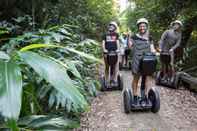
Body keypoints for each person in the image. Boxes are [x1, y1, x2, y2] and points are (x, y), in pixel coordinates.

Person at [129, 18, 157, 105]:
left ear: (146, 27)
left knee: (147, 79)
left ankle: (145, 96)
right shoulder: (134, 36)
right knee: (136, 78)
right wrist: (129, 40)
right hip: (137, 59)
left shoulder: (149, 37)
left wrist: (155, 52)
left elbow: (152, 49)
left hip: (147, 60)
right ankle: (135, 96)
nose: (142, 28)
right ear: (138, 27)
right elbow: (130, 47)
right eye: (140, 26)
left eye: (144, 26)